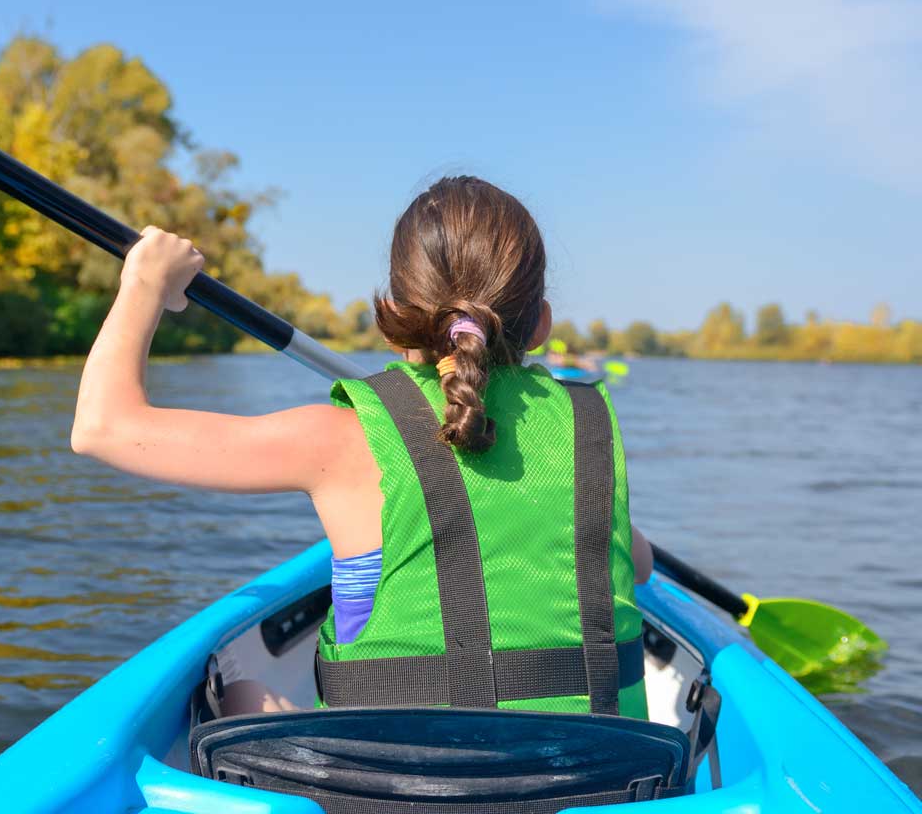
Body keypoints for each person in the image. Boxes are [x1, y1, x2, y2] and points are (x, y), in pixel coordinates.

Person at [71, 176, 654, 718]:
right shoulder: (588, 427)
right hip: (598, 785)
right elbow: (640, 564)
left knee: (241, 691)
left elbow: (102, 426)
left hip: (387, 795)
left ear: (393, 318)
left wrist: (145, 282)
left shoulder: (336, 437)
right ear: (542, 324)